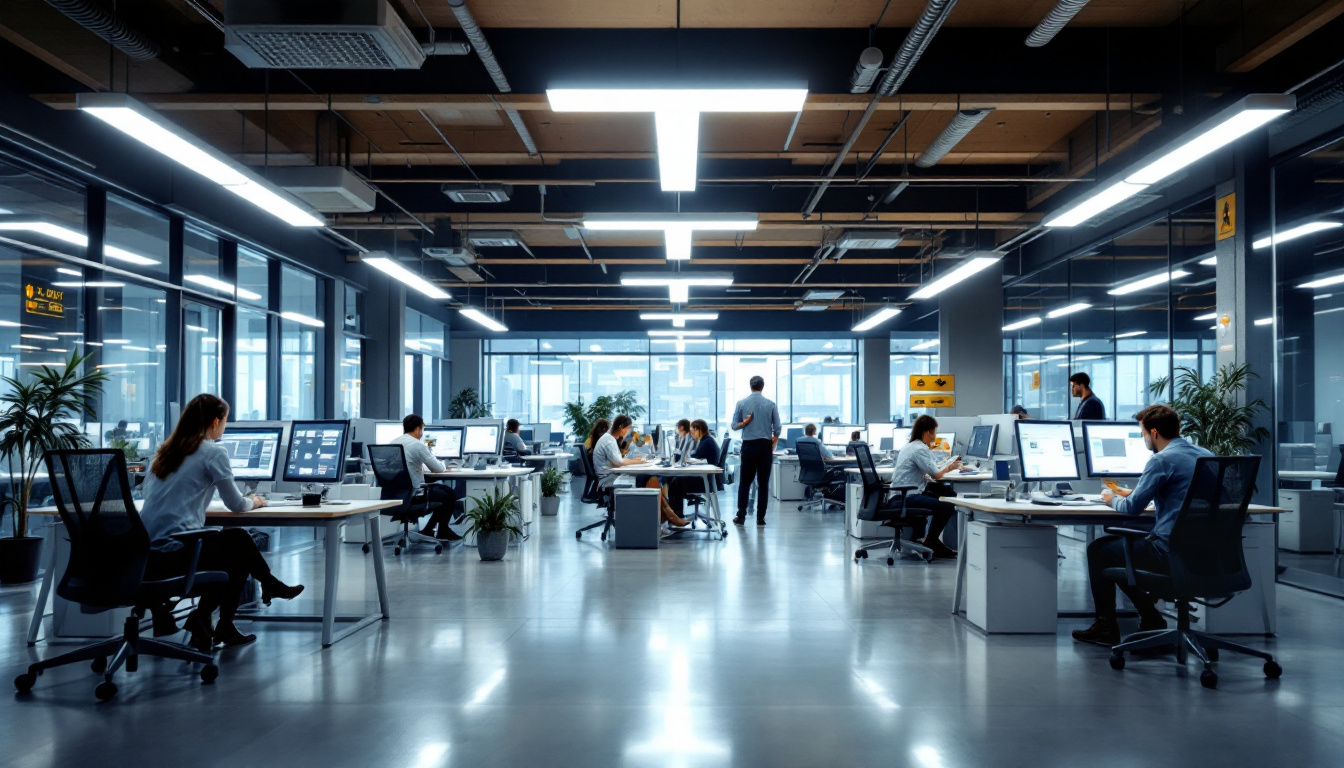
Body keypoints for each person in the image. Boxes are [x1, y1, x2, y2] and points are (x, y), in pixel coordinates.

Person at [140, 394, 304, 651]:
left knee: (234, 547)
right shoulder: (213, 452)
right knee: (237, 541)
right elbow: (237, 505)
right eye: (225, 421)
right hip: (176, 554)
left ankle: (223, 617)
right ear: (216, 421)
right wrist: (257, 501)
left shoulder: (162, 454)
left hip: (145, 557)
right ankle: (259, 591)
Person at [1071, 404, 1213, 646]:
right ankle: (1150, 618)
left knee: (1100, 550)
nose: (1144, 439)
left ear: (1154, 433)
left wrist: (1110, 498)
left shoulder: (1161, 460)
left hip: (1168, 554)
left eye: (1143, 433)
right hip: (1207, 555)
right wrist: (1134, 492)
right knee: (1124, 553)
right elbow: (1185, 499)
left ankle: (1107, 627)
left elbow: (1131, 509)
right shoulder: (1207, 456)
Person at [589, 415, 689, 527]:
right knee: (646, 478)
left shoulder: (609, 439)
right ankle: (667, 515)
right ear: (621, 426)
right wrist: (638, 462)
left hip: (611, 475)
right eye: (627, 429)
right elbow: (619, 462)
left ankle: (666, 515)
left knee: (650, 478)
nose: (627, 432)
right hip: (608, 479)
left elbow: (618, 460)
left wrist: (634, 460)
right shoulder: (608, 440)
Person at [888, 415, 964, 559]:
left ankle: (932, 539)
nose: (935, 436)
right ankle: (931, 540)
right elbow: (936, 475)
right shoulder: (920, 449)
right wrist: (952, 467)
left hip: (901, 495)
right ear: (928, 432)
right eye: (934, 432)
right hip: (906, 497)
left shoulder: (910, 446)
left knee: (945, 493)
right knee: (947, 504)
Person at [392, 414, 461, 541]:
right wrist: (444, 463)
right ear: (418, 428)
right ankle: (443, 530)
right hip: (415, 494)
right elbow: (438, 469)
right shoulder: (418, 445)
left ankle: (429, 528)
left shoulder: (394, 443)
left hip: (396, 495)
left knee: (441, 491)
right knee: (449, 494)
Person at [731, 375, 782, 527]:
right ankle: (760, 518)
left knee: (745, 482)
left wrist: (745, 423)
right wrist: (773, 441)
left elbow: (734, 425)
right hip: (765, 447)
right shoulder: (771, 404)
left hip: (748, 446)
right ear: (763, 386)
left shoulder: (741, 404)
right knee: (763, 483)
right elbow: (778, 429)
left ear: (750, 386)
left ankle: (741, 516)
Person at [667, 419, 721, 516]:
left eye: (692, 431)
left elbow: (697, 458)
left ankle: (675, 515)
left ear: (698, 430)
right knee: (674, 480)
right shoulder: (706, 440)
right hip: (706, 479)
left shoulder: (706, 443)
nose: (691, 433)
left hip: (704, 481)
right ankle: (675, 515)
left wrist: (684, 459)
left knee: (674, 482)